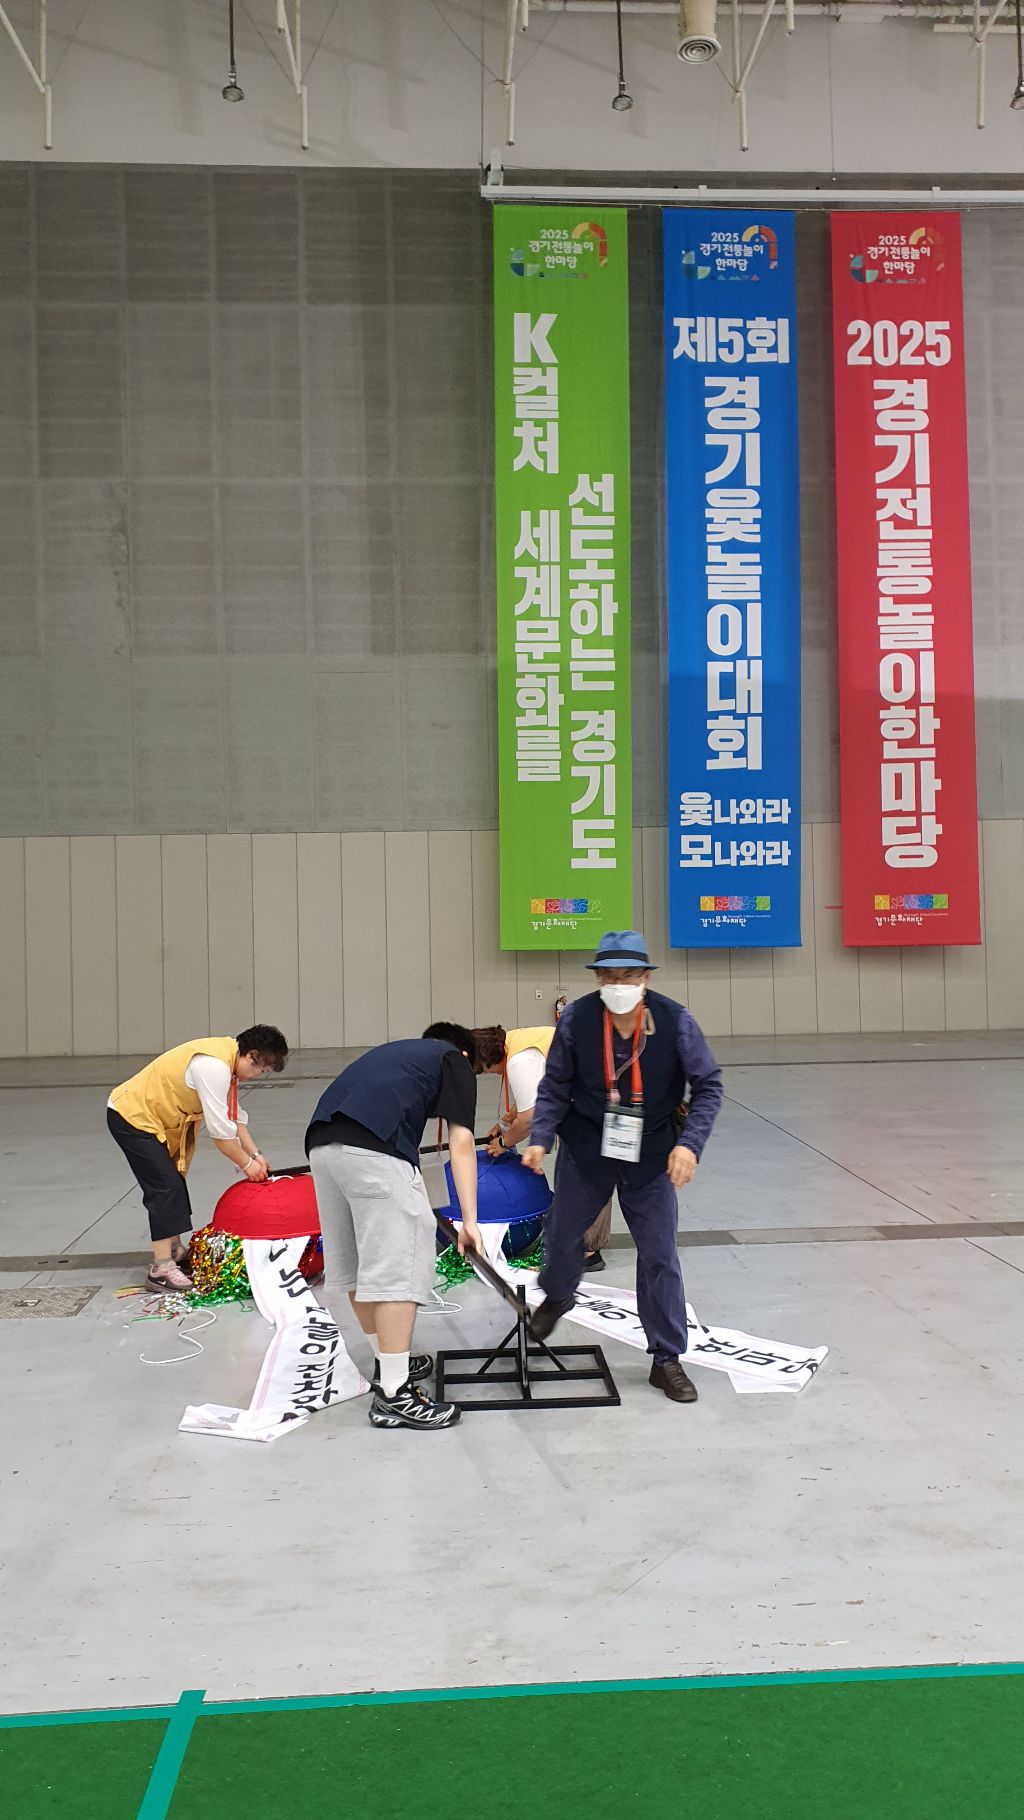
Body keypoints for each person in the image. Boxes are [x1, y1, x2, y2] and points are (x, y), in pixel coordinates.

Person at [523, 931, 723, 1405]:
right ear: (597, 979)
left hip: (652, 1154)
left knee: (659, 1257)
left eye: (628, 975)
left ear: (645, 978)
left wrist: (689, 1146)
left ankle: (666, 1358)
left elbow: (708, 1085)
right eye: (609, 977)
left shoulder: (675, 1022)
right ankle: (559, 1294)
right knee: (561, 1236)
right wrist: (540, 1137)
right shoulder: (577, 1019)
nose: (619, 985)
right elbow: (555, 1085)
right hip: (587, 1148)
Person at [304, 1022, 482, 1433]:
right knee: (399, 1268)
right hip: (372, 1151)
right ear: (465, 1055)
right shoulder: (453, 1060)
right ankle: (395, 1394)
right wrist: (470, 1222)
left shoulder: (400, 1058)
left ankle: (387, 1363)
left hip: (323, 1147)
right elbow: (461, 1143)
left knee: (357, 1265)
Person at [107, 1025, 289, 1293]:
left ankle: (175, 1251)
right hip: (131, 1117)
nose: (261, 1074)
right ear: (251, 1056)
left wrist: (256, 1155)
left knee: (174, 1181)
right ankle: (161, 1269)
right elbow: (221, 1134)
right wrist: (248, 1165)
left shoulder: (227, 1061)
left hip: (156, 1120)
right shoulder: (214, 1067)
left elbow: (234, 1118)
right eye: (263, 1068)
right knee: (164, 1187)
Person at [474, 1020, 610, 1272]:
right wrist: (504, 1126)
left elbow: (528, 1119)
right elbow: (534, 1092)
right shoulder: (516, 1042)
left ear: (489, 1059)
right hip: (587, 1095)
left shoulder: (519, 1060)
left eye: (484, 1070)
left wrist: (504, 1143)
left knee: (588, 1174)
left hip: (595, 1103)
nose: (490, 1074)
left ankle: (587, 1250)